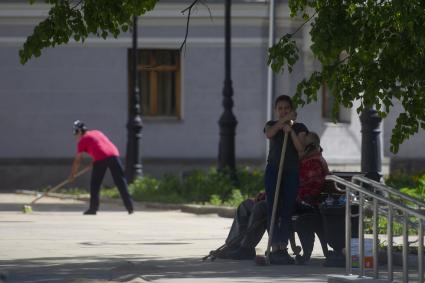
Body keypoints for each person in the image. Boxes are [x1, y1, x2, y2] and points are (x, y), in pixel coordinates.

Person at [219, 131, 329, 261]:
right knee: (245, 206)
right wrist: (266, 195)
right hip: (289, 200)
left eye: (299, 145)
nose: (295, 147)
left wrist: (267, 196)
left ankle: (246, 249)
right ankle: (232, 246)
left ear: (309, 147)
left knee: (261, 208)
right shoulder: (304, 161)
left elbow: (292, 189)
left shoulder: (313, 163)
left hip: (300, 204)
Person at [263, 95, 308, 264]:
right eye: (280, 108)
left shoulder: (300, 127)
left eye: (286, 108)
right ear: (276, 110)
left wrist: (291, 131)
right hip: (274, 170)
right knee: (272, 206)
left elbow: (301, 149)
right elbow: (269, 134)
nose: (283, 111)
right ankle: (274, 244)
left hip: (291, 171)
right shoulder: (271, 125)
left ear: (291, 109)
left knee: (287, 207)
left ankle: (283, 244)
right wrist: (284, 122)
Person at [69, 120, 134, 215]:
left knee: (95, 184)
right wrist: (95, 161)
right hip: (114, 155)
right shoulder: (97, 132)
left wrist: (72, 175)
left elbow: (77, 160)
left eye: (76, 133)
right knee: (120, 181)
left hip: (101, 158)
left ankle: (93, 209)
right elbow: (101, 146)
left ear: (79, 131)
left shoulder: (83, 140)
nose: (76, 136)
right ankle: (130, 207)